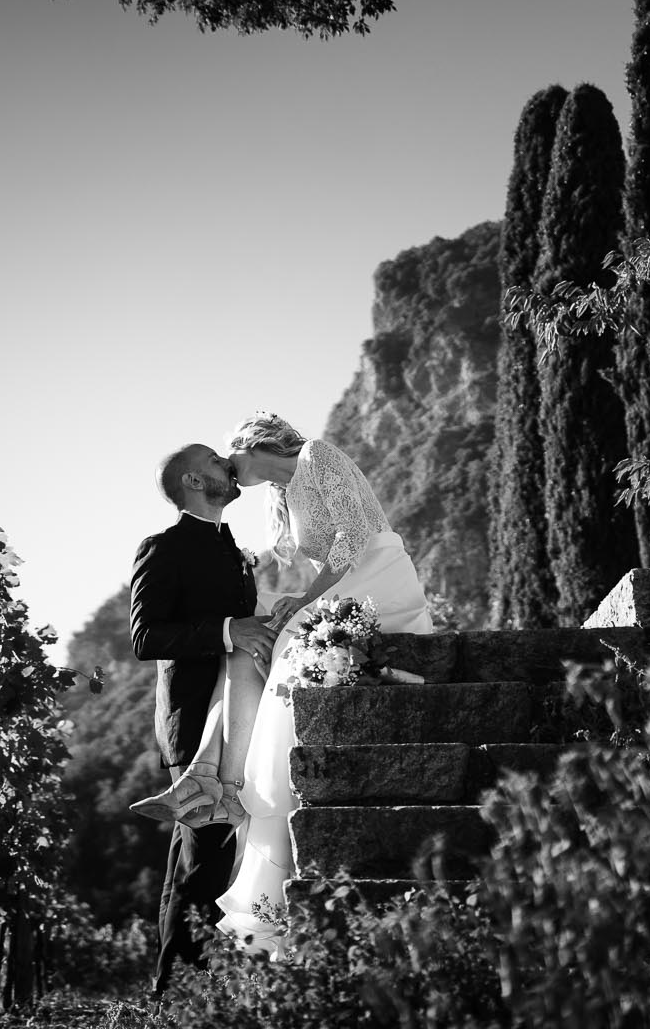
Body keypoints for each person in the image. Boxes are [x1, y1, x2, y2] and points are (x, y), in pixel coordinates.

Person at [214, 412, 433, 955]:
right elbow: (281, 553)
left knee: (292, 648)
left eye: (229, 461)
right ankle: (275, 805)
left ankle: (254, 782)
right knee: (282, 646)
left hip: (376, 573)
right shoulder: (276, 496)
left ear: (250, 446)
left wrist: (307, 599)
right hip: (337, 586)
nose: (227, 472)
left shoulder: (318, 456)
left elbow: (353, 535)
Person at [127, 443, 277, 992]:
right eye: (217, 461)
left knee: (189, 865)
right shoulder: (163, 548)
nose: (228, 466)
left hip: (232, 720)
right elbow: (146, 637)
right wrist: (227, 630)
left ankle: (170, 995)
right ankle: (186, 1000)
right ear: (194, 480)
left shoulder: (232, 547)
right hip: (192, 723)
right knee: (206, 865)